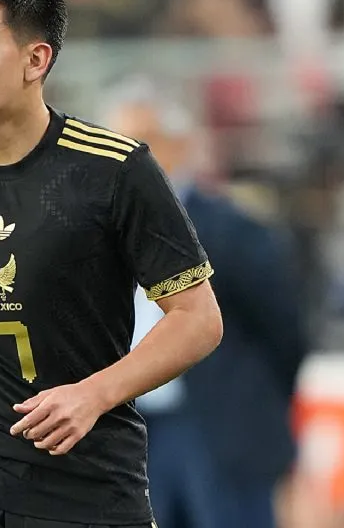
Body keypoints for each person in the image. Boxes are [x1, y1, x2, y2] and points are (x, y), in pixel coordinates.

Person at [0, 0, 224, 528]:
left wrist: (93, 395)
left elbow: (198, 318)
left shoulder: (115, 169)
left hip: (85, 479)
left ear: (35, 60)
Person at [110, 80, 307, 528]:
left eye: (143, 143)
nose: (126, 161)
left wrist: (255, 402)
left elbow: (283, 329)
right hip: (135, 424)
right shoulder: (101, 230)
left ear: (181, 145)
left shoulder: (233, 230)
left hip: (218, 425)